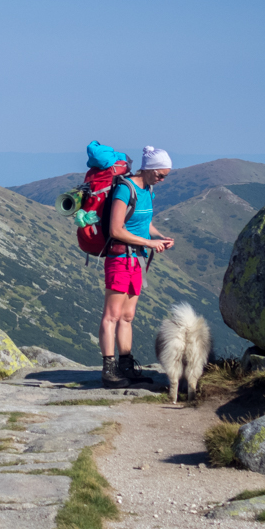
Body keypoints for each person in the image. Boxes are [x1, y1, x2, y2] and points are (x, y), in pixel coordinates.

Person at [100, 145, 174, 388]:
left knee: (128, 316)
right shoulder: (125, 189)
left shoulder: (148, 190)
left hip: (137, 260)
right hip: (120, 258)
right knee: (112, 316)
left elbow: (145, 223)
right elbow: (115, 229)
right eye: (160, 174)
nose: (162, 180)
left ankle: (126, 365)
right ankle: (109, 370)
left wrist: (159, 237)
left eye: (166, 176)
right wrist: (149, 243)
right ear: (149, 169)